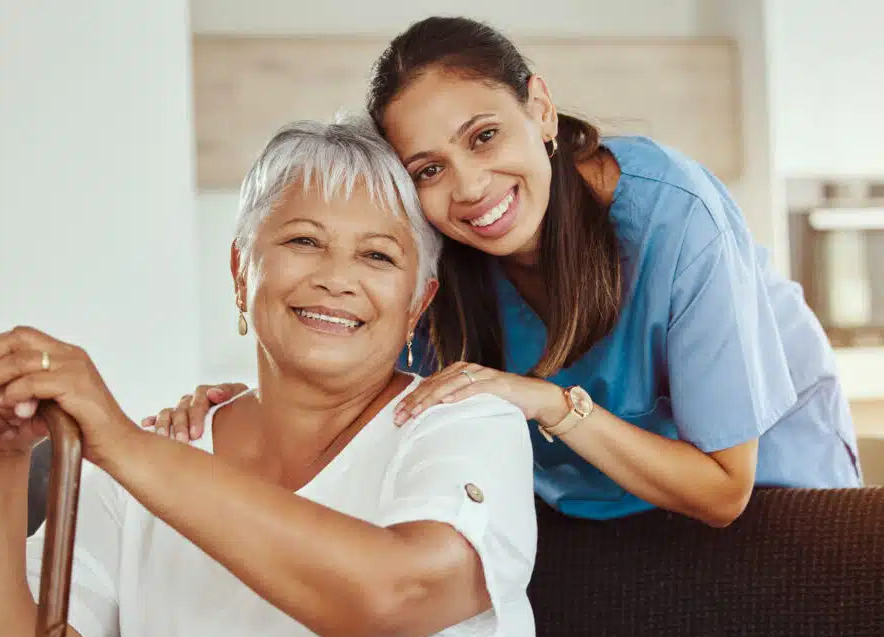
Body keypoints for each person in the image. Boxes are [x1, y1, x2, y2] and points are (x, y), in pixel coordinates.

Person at [0, 116, 571, 637]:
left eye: (377, 255)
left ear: (417, 303)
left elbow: (391, 598)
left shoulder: (464, 422)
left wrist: (124, 444)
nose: (337, 278)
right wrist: (3, 456)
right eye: (303, 242)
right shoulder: (151, 461)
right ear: (241, 270)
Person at [149, 16, 862, 528]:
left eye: (484, 136)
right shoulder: (433, 257)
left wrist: (550, 404)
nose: (470, 187)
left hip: (765, 486)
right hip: (592, 509)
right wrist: (233, 414)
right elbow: (359, 393)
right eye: (429, 168)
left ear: (540, 109)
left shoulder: (675, 217)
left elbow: (722, 491)